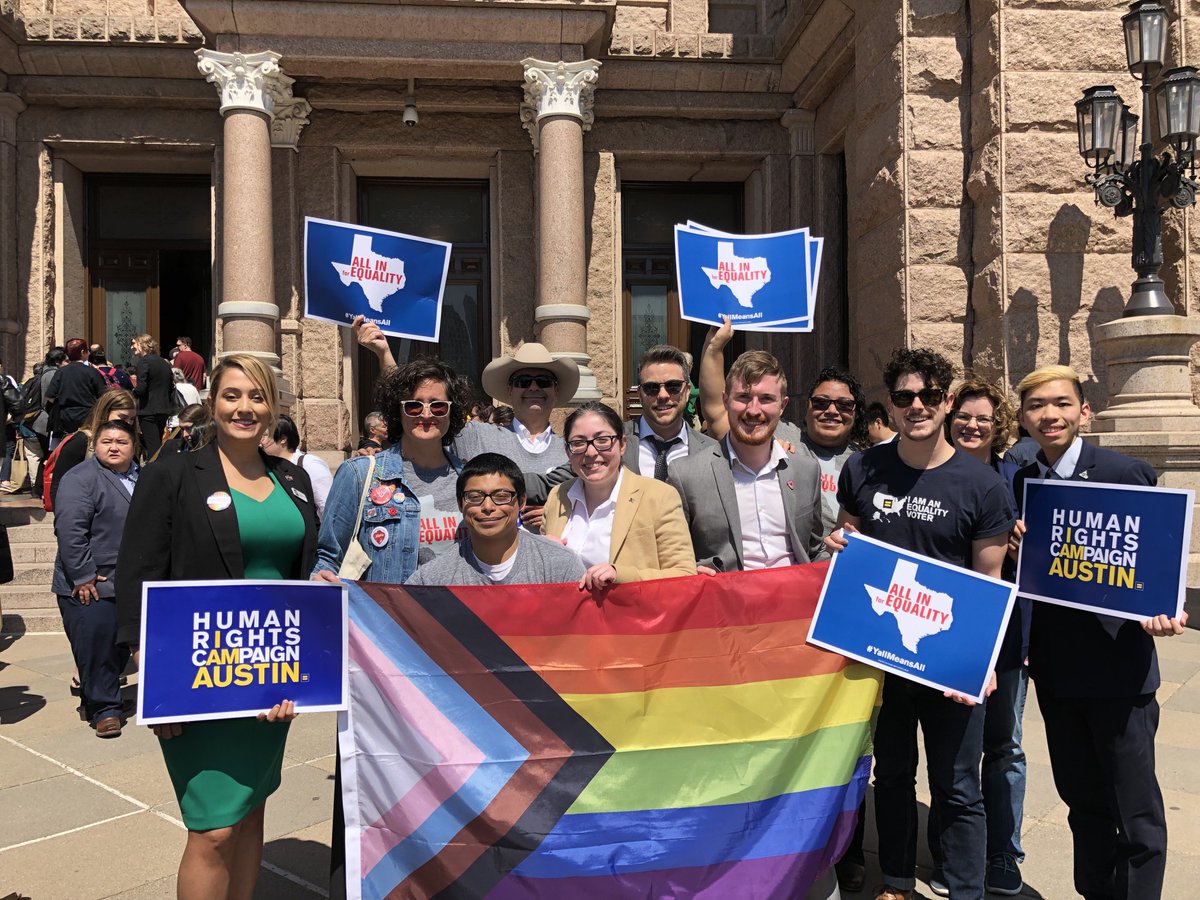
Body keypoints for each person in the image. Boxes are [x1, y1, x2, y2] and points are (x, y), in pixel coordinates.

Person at [115, 354, 316, 899]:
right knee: (215, 828)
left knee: (251, 813)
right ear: (211, 401)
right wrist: (156, 684)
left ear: (273, 406)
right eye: (232, 395)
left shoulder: (293, 480)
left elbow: (299, 570)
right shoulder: (172, 475)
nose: (244, 408)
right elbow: (138, 573)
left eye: (257, 396)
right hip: (199, 680)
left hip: (273, 676)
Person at [826, 348, 1014, 900]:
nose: (917, 406)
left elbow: (991, 581)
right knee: (893, 775)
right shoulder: (863, 468)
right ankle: (898, 882)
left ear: (948, 401)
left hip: (949, 659)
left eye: (930, 396)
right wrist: (840, 545)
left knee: (957, 785)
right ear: (891, 401)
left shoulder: (981, 487)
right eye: (905, 396)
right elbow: (847, 541)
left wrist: (983, 661)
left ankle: (964, 889)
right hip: (880, 656)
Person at [1009, 365, 1187, 900]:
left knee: (1136, 813)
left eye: (1061, 403)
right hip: (1058, 675)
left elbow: (1152, 556)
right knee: (1083, 804)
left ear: (1083, 410)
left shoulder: (1123, 471)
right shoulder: (1023, 481)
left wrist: (1163, 609)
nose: (1050, 415)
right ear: (1022, 417)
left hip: (1119, 673)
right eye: (1037, 405)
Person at [926, 376, 1028, 897]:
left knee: (1003, 745)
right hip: (944, 627)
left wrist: (1024, 544)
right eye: (964, 415)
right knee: (953, 748)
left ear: (998, 426)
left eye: (983, 418)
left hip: (1006, 636)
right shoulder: (932, 472)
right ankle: (950, 849)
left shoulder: (1019, 478)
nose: (971, 425)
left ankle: (1003, 853)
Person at [698, 318, 868, 535]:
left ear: (855, 411)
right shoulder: (779, 437)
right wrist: (714, 348)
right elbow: (717, 413)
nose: (832, 411)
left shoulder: (867, 464)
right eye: (821, 402)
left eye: (844, 405)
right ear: (806, 406)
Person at [313, 358, 470, 585]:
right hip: (385, 617)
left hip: (455, 616)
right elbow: (329, 556)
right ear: (399, 411)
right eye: (414, 405)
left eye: (437, 406)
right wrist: (321, 582)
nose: (426, 415)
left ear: (451, 412)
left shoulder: (468, 479)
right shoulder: (358, 474)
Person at [668, 349, 826, 573]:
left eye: (766, 399)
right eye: (743, 397)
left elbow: (814, 550)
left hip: (794, 602)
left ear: (783, 405)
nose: (754, 410)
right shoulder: (686, 476)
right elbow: (671, 560)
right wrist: (688, 572)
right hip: (726, 603)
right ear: (725, 400)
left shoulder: (806, 471)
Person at [543, 401, 696, 590]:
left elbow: (684, 574)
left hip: (632, 615)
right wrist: (542, 553)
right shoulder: (557, 497)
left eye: (602, 440)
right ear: (568, 451)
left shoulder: (659, 496)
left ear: (622, 445)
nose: (591, 452)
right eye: (578, 443)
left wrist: (620, 574)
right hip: (569, 616)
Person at [52, 419, 138, 738]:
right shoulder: (81, 478)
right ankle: (105, 710)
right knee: (96, 644)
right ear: (95, 445)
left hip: (128, 579)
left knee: (116, 648)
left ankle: (96, 698)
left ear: (134, 446)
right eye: (106, 441)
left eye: (121, 442)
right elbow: (70, 531)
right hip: (89, 581)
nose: (113, 447)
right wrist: (84, 575)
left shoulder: (141, 476)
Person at [407, 453, 585, 587]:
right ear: (460, 504)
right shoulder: (433, 580)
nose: (488, 507)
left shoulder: (560, 565)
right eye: (475, 497)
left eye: (501, 496)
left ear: (521, 501)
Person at [622, 344, 717, 479]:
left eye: (673, 386)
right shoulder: (612, 442)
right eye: (651, 388)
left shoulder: (712, 451)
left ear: (687, 391)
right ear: (639, 394)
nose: (663, 395)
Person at [47, 389, 139, 512]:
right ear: (105, 413)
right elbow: (58, 486)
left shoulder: (130, 442)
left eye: (132, 419)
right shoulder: (80, 441)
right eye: (122, 418)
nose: (128, 423)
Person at [261, 414, 333, 518]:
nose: (261, 441)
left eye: (265, 435)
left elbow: (328, 507)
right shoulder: (268, 468)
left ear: (283, 439)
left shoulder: (310, 464)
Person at [45, 338, 106, 445]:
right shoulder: (92, 372)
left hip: (66, 418)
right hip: (88, 417)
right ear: (83, 352)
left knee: (68, 447)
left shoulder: (61, 372)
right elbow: (104, 395)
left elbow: (50, 397)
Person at [30, 347, 66, 498]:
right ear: (58, 361)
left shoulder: (45, 372)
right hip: (46, 421)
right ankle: (41, 489)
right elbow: (51, 398)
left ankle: (39, 489)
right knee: (50, 456)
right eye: (65, 360)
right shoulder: (52, 374)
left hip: (42, 421)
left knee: (47, 455)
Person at [131, 333, 174, 459]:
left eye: (134, 343)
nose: (132, 347)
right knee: (157, 443)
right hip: (164, 408)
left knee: (153, 447)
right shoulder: (164, 362)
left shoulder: (144, 362)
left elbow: (141, 388)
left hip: (148, 410)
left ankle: (155, 472)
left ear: (142, 344)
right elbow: (170, 387)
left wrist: (130, 394)